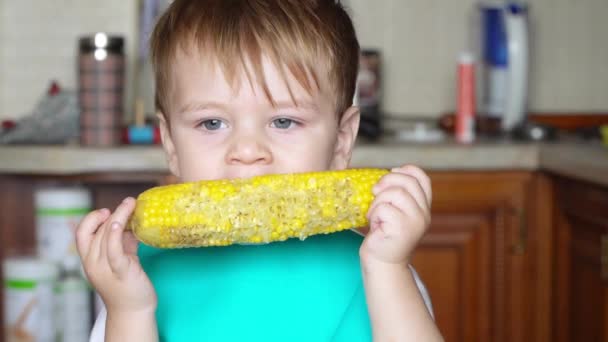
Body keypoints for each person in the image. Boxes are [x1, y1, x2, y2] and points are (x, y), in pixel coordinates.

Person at [76, 0, 443, 341]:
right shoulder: (133, 284)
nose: (248, 151)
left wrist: (389, 271)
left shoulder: (382, 272)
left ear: (341, 141)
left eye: (283, 121)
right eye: (212, 123)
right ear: (171, 143)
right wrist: (130, 311)